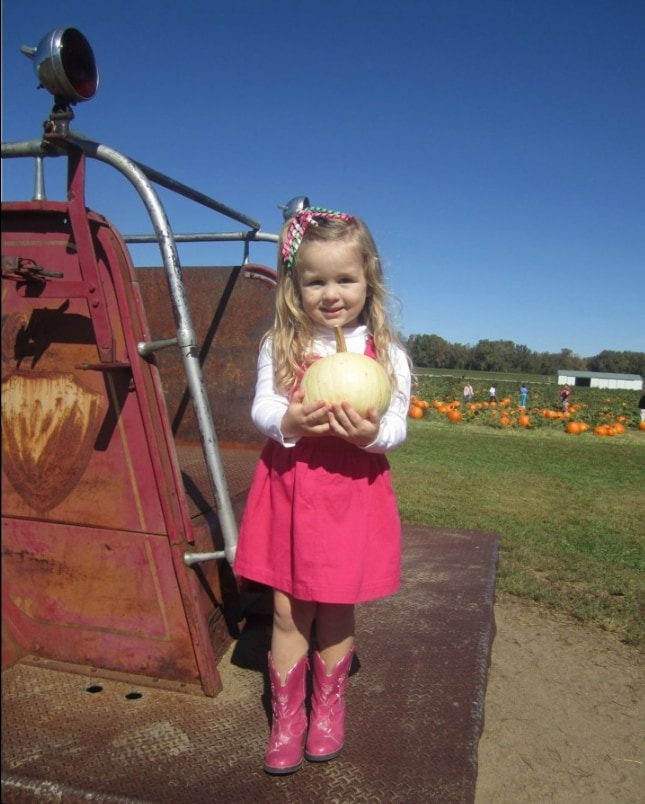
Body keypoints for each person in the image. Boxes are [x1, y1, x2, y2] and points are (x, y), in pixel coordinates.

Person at [234, 206, 412, 775]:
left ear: (369, 281)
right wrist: (290, 422)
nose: (331, 294)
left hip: (350, 491)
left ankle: (328, 708)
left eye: (345, 279)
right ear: (296, 285)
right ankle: (287, 717)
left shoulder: (387, 354)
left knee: (336, 608)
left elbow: (398, 425)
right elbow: (262, 408)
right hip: (291, 487)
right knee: (287, 612)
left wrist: (372, 434)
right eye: (315, 281)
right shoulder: (281, 344)